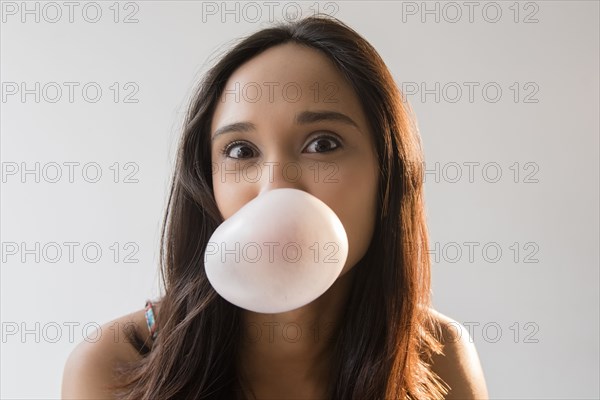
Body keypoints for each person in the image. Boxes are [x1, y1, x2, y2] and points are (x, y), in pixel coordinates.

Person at [62, 15, 488, 400]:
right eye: (241, 150)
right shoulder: (115, 364)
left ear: (387, 173)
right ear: (206, 182)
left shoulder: (439, 359)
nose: (276, 186)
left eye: (323, 144)